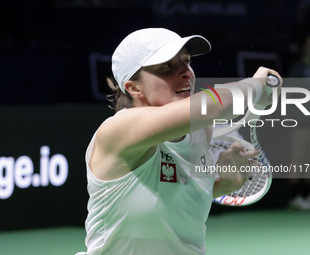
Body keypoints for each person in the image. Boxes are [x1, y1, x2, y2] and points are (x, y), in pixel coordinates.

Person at [76, 28, 282, 255]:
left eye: (187, 62)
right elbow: (215, 105)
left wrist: (221, 185)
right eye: (166, 66)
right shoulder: (118, 131)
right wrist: (256, 85)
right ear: (134, 87)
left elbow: (173, 198)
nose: (186, 72)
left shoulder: (201, 130)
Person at [286, 34, 310, 210]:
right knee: (298, 157)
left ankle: (307, 195)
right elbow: (289, 94)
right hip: (299, 119)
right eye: (309, 44)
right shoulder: (297, 69)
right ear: (303, 48)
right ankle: (294, 197)